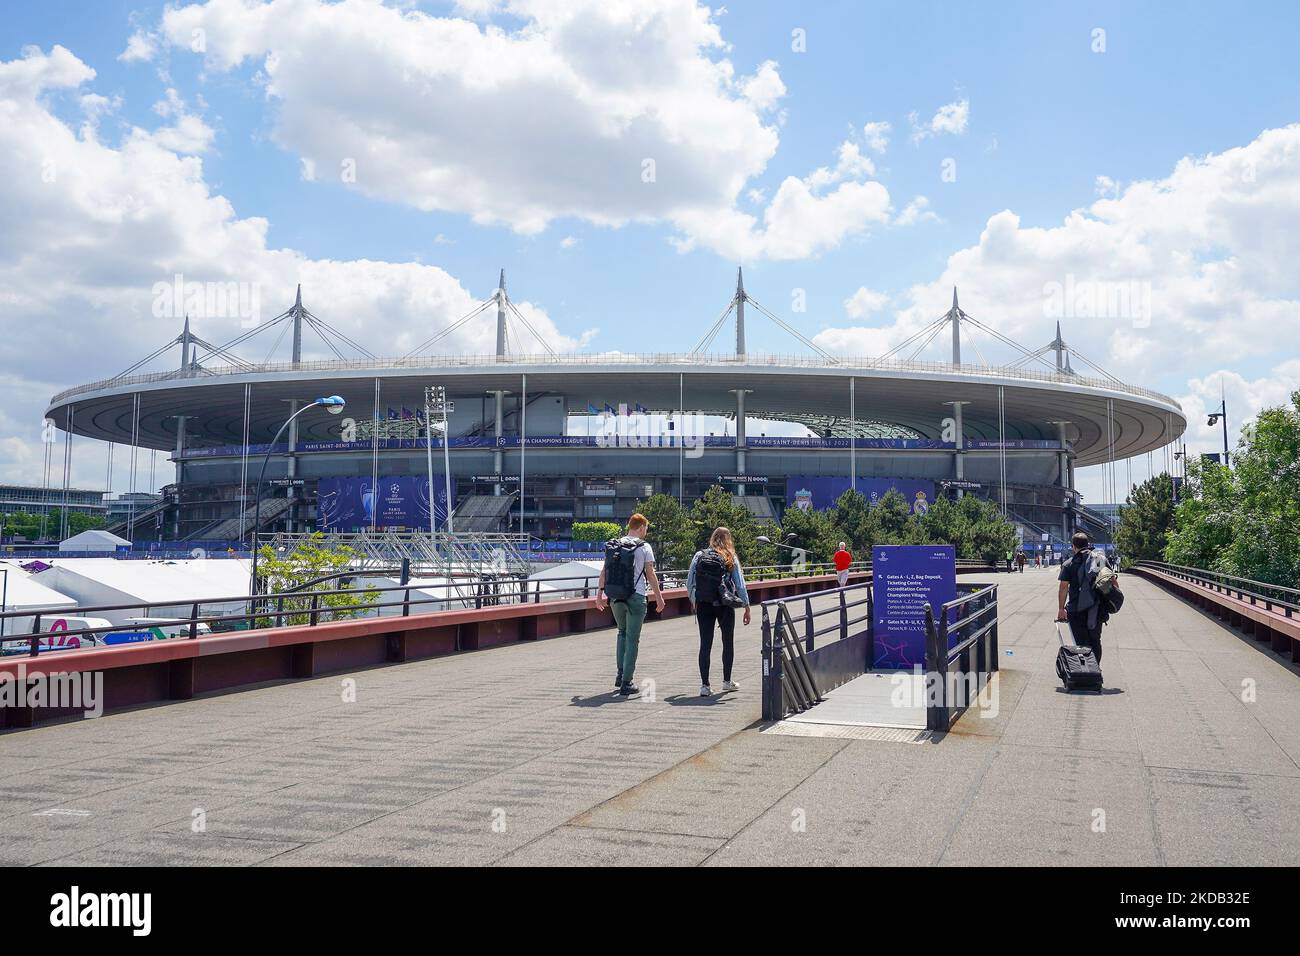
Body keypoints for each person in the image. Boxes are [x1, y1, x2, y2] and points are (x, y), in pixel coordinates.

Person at [595, 513, 665, 696]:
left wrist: (599, 594)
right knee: (633, 638)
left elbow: (605, 570)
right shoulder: (644, 547)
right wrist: (659, 597)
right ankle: (627, 682)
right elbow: (650, 573)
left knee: (622, 633)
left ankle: (620, 674)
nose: (645, 533)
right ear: (641, 527)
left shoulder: (615, 545)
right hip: (636, 597)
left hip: (615, 596)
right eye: (646, 529)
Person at [687, 526, 751, 697]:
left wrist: (694, 600)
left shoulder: (700, 555)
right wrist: (746, 606)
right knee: (727, 642)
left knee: (705, 644)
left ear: (712, 538)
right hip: (725, 603)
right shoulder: (730, 557)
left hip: (704, 603)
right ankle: (727, 682)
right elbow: (740, 584)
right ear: (728, 540)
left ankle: (705, 686)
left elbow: (690, 581)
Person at [1056, 531, 1109, 667]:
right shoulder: (1099, 560)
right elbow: (1112, 581)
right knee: (1095, 640)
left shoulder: (1069, 564)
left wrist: (1061, 609)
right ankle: (1096, 669)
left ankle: (1086, 671)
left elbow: (1063, 587)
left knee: (1081, 642)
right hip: (1096, 609)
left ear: (1073, 546)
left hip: (1076, 609)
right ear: (1088, 545)